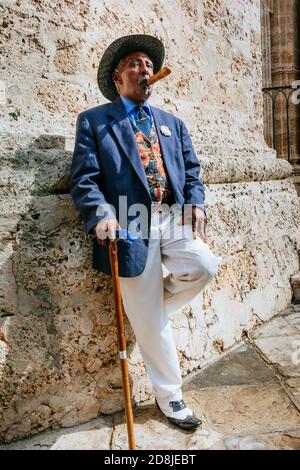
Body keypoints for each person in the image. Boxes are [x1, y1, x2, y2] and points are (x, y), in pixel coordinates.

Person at [69, 34, 220, 431]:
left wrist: (196, 203)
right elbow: (84, 179)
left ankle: (150, 314)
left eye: (149, 65)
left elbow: (191, 172)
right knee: (150, 318)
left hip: (171, 216)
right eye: (135, 64)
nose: (145, 70)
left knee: (204, 264)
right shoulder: (95, 120)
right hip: (128, 224)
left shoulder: (172, 123)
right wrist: (101, 214)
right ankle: (171, 398)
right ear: (118, 79)